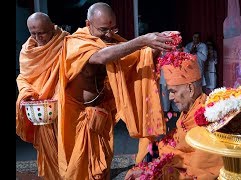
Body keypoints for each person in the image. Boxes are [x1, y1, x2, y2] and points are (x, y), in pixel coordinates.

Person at [57, 2, 176, 179]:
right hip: (78, 116)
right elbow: (101, 56)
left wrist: (157, 45)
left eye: (113, 29)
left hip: (102, 114)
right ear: (88, 24)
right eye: (104, 29)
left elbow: (136, 59)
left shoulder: (113, 42)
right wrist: (143, 40)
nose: (109, 34)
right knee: (79, 169)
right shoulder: (76, 43)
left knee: (102, 165)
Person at [125, 55, 223, 179]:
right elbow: (175, 149)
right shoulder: (189, 112)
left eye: (173, 91)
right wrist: (149, 170)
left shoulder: (208, 120)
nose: (170, 97)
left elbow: (199, 173)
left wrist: (158, 175)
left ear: (190, 89)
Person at [16, 12, 69, 179]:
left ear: (52, 27)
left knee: (68, 147)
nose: (38, 37)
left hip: (64, 105)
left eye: (42, 32)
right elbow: (23, 77)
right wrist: (27, 92)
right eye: (33, 33)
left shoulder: (65, 43)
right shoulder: (27, 51)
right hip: (40, 108)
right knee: (48, 150)